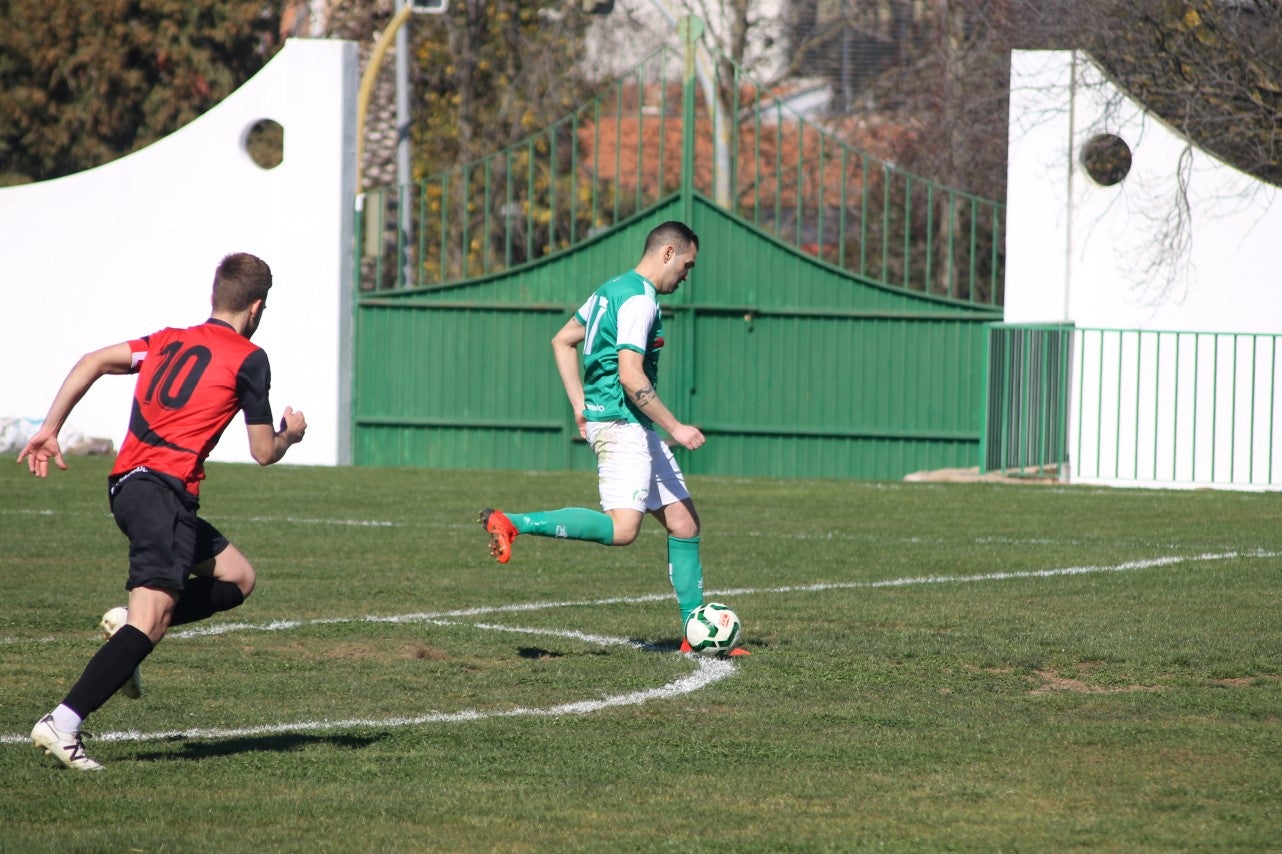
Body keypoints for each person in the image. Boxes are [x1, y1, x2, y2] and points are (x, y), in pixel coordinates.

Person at [19, 252, 307, 770]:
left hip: (128, 488)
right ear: (258, 306)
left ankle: (126, 629)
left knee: (238, 578)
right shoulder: (249, 357)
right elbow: (264, 451)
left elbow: (91, 360)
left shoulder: (168, 339)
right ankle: (63, 722)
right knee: (149, 622)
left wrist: (50, 426)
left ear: (214, 296)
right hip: (163, 494)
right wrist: (292, 433)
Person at [479, 220, 746, 656]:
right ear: (667, 254)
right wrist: (676, 427)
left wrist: (580, 405)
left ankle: (693, 635)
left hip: (625, 424)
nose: (686, 275)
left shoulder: (611, 289)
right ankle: (515, 523)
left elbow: (562, 340)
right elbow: (630, 375)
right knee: (624, 531)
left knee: (684, 523)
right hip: (623, 426)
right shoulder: (640, 300)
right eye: (687, 265)